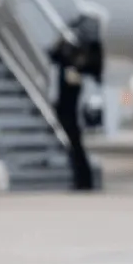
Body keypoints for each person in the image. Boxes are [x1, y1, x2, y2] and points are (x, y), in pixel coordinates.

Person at [49, 13, 103, 190]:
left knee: (75, 141)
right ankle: (79, 178)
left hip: (74, 100)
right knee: (72, 141)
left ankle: (83, 180)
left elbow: (89, 69)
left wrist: (72, 54)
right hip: (65, 98)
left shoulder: (91, 48)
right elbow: (53, 55)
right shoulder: (75, 46)